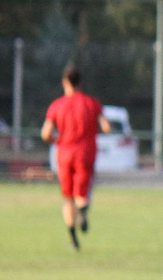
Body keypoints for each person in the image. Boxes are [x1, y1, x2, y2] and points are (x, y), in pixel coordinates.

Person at [41, 65, 111, 250]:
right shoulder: (92, 103)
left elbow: (45, 133)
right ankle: (83, 211)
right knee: (82, 192)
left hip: (64, 153)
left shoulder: (56, 105)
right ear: (80, 82)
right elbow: (107, 127)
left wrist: (56, 139)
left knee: (68, 197)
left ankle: (73, 241)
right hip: (86, 152)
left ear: (65, 83)